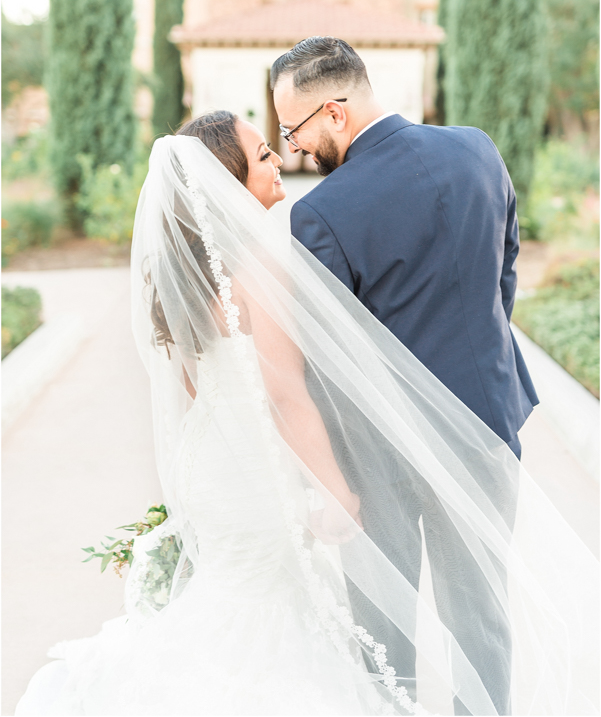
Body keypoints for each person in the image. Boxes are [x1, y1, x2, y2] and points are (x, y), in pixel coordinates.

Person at [15, 112, 597, 717]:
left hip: (212, 466)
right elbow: (287, 392)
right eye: (264, 155)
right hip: (257, 475)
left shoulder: (181, 276)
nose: (278, 163)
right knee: (268, 615)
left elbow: (197, 387)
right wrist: (335, 487)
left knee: (234, 603)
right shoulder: (257, 269)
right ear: (227, 178)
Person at [271, 36, 538, 714]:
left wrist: (331, 476)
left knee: (383, 625)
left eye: (293, 128)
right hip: (487, 422)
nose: (294, 147)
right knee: (480, 615)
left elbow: (330, 361)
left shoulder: (321, 212)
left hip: (379, 451)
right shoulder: (475, 148)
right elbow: (503, 270)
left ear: (334, 112)